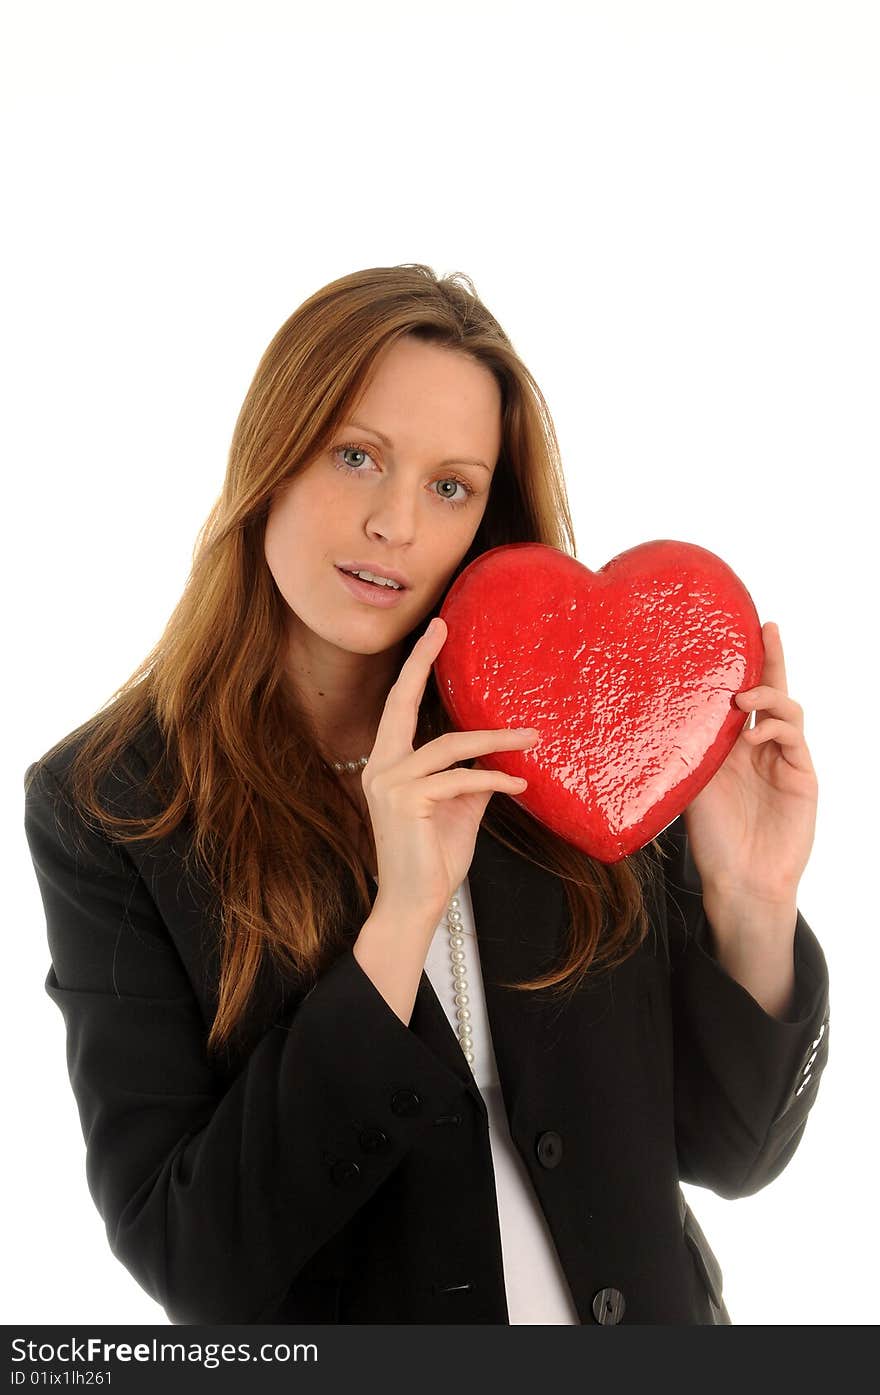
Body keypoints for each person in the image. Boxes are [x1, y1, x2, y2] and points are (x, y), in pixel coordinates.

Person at [23, 263, 829, 1326]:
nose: (395, 525)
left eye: (450, 485)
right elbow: (197, 1264)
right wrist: (397, 925)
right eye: (357, 457)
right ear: (270, 455)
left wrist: (749, 901)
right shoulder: (112, 803)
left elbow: (729, 1156)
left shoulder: (578, 725)